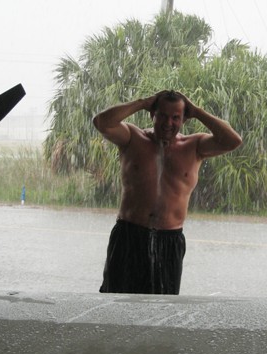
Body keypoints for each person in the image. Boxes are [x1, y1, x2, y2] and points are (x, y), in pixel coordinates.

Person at [92, 90, 242, 294]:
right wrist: (142, 102)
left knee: (162, 305)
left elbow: (233, 141)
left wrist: (197, 111)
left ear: (184, 119)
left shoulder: (194, 146)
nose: (168, 123)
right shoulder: (132, 138)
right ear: (152, 114)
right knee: (116, 299)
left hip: (169, 240)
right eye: (162, 115)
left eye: (175, 117)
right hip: (129, 235)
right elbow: (101, 122)